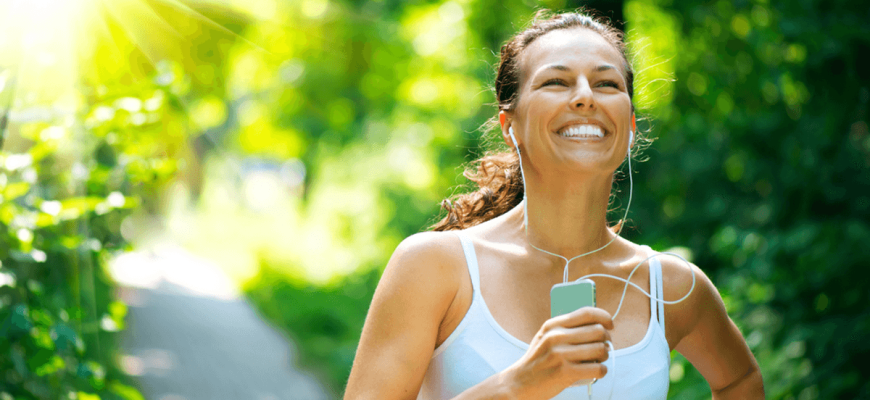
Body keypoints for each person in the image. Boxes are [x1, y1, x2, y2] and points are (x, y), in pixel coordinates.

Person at [345, 10, 764, 400]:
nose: (585, 97)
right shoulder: (435, 268)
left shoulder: (671, 287)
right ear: (512, 127)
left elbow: (741, 381)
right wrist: (520, 383)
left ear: (630, 126)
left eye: (607, 84)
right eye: (556, 82)